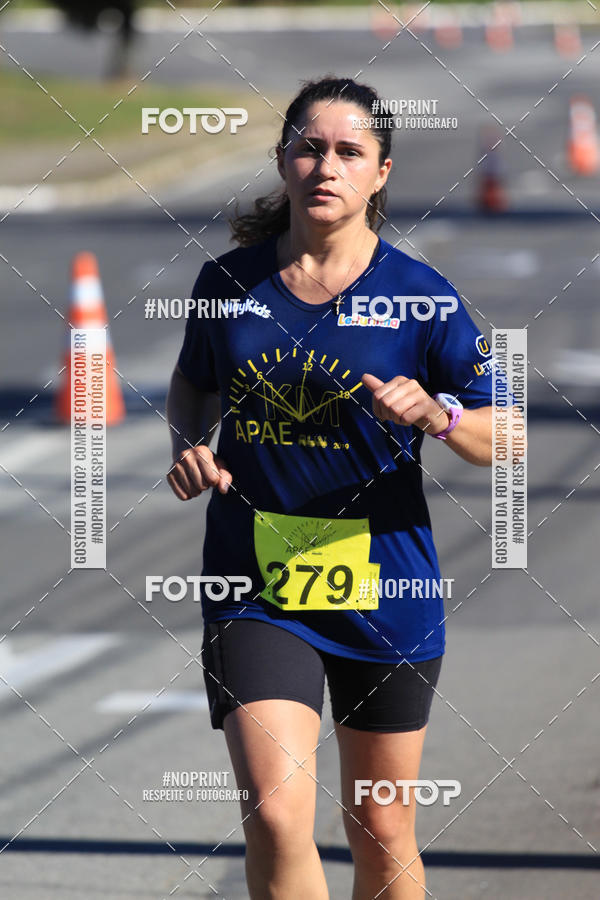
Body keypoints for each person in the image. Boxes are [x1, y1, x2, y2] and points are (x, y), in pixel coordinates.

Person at [166, 76, 495, 900]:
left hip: (388, 588)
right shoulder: (229, 283)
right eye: (310, 147)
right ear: (283, 160)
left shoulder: (424, 298)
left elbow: (509, 434)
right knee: (276, 814)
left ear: (380, 173)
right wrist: (189, 447)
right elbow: (194, 384)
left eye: (350, 152)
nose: (327, 166)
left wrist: (442, 417)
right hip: (256, 584)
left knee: (380, 827)